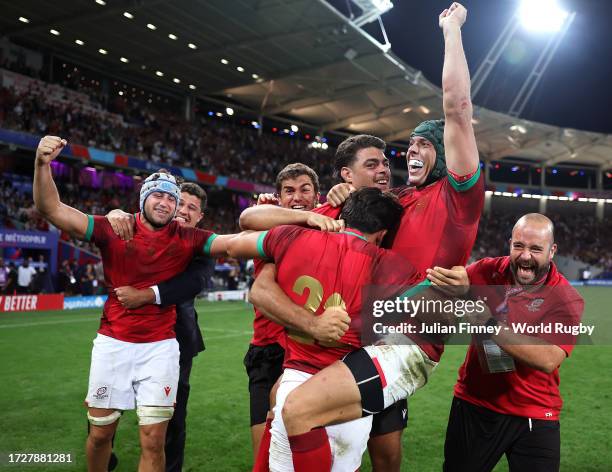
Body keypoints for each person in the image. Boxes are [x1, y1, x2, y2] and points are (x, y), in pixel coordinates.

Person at [244, 3, 484, 469]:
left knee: (298, 412)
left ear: (445, 152)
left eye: (423, 145)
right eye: (408, 146)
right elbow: (264, 224)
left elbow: (457, 108)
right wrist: (332, 198)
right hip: (360, 336)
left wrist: (451, 30)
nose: (411, 151)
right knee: (302, 426)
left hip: (407, 342)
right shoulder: (391, 200)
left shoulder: (456, 199)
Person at [32, 135, 239, 472]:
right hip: (115, 342)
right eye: (161, 196)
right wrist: (43, 164)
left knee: (159, 438)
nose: (173, 207)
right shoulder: (116, 229)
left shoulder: (193, 240)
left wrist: (293, 223)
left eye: (181, 204)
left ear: (198, 216)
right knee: (100, 434)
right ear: (143, 199)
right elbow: (51, 209)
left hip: (170, 343)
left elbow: (214, 265)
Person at [229, 188, 439, 472]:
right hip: (342, 379)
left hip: (322, 374)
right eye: (373, 163)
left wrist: (271, 262)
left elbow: (226, 243)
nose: (382, 170)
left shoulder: (298, 236)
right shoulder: (383, 259)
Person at [434, 213, 585, 472]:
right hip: (475, 403)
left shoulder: (565, 298)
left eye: (536, 248)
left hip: (535, 411)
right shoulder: (487, 270)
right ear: (509, 244)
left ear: (552, 251)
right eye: (519, 246)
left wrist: (489, 325)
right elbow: (454, 283)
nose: (525, 256)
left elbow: (548, 358)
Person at [92, 181, 214, 472]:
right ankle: (103, 461)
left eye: (191, 208)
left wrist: (148, 295)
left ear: (200, 218)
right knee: (101, 423)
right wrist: (114, 214)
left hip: (177, 340)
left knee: (171, 420)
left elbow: (194, 282)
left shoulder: (200, 243)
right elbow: (122, 225)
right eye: (179, 203)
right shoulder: (150, 227)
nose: (183, 211)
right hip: (121, 333)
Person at [245, 163, 322, 459]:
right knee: (263, 453)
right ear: (278, 197)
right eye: (288, 191)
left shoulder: (328, 225)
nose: (297, 196)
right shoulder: (268, 225)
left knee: (307, 452)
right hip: (267, 350)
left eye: (305, 189)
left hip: (309, 351)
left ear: (317, 196)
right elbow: (248, 218)